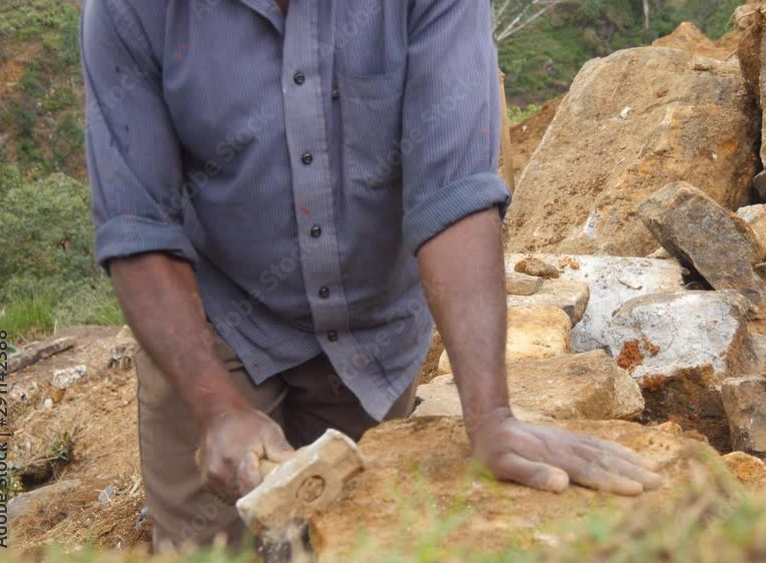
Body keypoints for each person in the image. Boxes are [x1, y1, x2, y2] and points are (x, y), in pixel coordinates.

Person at [80, 0, 661, 551]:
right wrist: (217, 411)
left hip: (372, 332)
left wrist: (491, 416)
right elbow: (139, 227)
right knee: (211, 548)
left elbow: (452, 191)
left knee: (354, 536)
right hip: (219, 320)